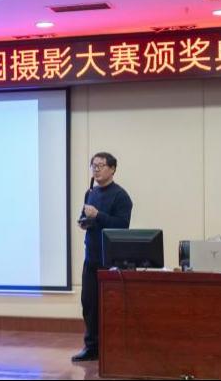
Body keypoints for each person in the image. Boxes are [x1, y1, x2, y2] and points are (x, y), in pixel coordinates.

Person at [72, 152, 133, 362]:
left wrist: (97, 215)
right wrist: (84, 222)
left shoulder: (121, 196)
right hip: (91, 257)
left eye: (101, 165)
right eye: (93, 166)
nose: (96, 170)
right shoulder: (90, 193)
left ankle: (112, 347)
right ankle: (92, 347)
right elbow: (88, 219)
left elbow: (122, 226)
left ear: (113, 169)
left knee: (110, 306)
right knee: (89, 304)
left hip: (111, 260)